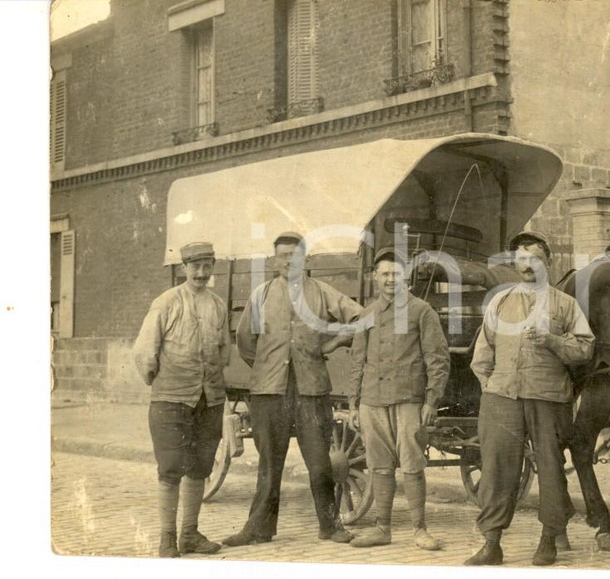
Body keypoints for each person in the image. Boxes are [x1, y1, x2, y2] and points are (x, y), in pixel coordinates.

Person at [223, 231, 363, 546]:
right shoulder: (261, 295)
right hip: (269, 392)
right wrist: (267, 368)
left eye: (294, 255)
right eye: (283, 256)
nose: (289, 261)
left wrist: (335, 341)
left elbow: (360, 317)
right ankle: (258, 529)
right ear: (275, 261)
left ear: (305, 259)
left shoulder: (322, 292)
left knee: (320, 462)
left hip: (311, 390)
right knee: (269, 464)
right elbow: (245, 342)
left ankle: (330, 526)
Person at [465, 231, 595, 567]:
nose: (527, 266)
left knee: (550, 468)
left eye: (534, 259)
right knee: (496, 468)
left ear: (548, 261)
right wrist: (492, 386)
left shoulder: (565, 305)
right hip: (502, 397)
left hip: (548, 398)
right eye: (521, 260)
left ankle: (549, 539)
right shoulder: (500, 302)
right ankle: (491, 543)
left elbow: (585, 349)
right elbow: (482, 353)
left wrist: (552, 340)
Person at [346, 247, 450, 550]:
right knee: (379, 465)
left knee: (412, 465)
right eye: (385, 274)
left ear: (405, 276)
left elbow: (438, 359)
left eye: (396, 274)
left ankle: (420, 530)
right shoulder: (367, 314)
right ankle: (383, 529)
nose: (391, 279)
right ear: (375, 277)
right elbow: (357, 361)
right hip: (372, 401)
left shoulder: (421, 311)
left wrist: (431, 401)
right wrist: (353, 403)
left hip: (409, 400)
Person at [133, 241, 229, 558]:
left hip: (209, 399)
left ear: (212, 267)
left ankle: (190, 534)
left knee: (200, 466)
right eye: (195, 266)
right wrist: (162, 381)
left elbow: (224, 351)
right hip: (171, 399)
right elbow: (145, 352)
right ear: (184, 268)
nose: (201, 273)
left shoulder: (217, 305)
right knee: (171, 467)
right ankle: (167, 538)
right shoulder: (166, 302)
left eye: (206, 266)